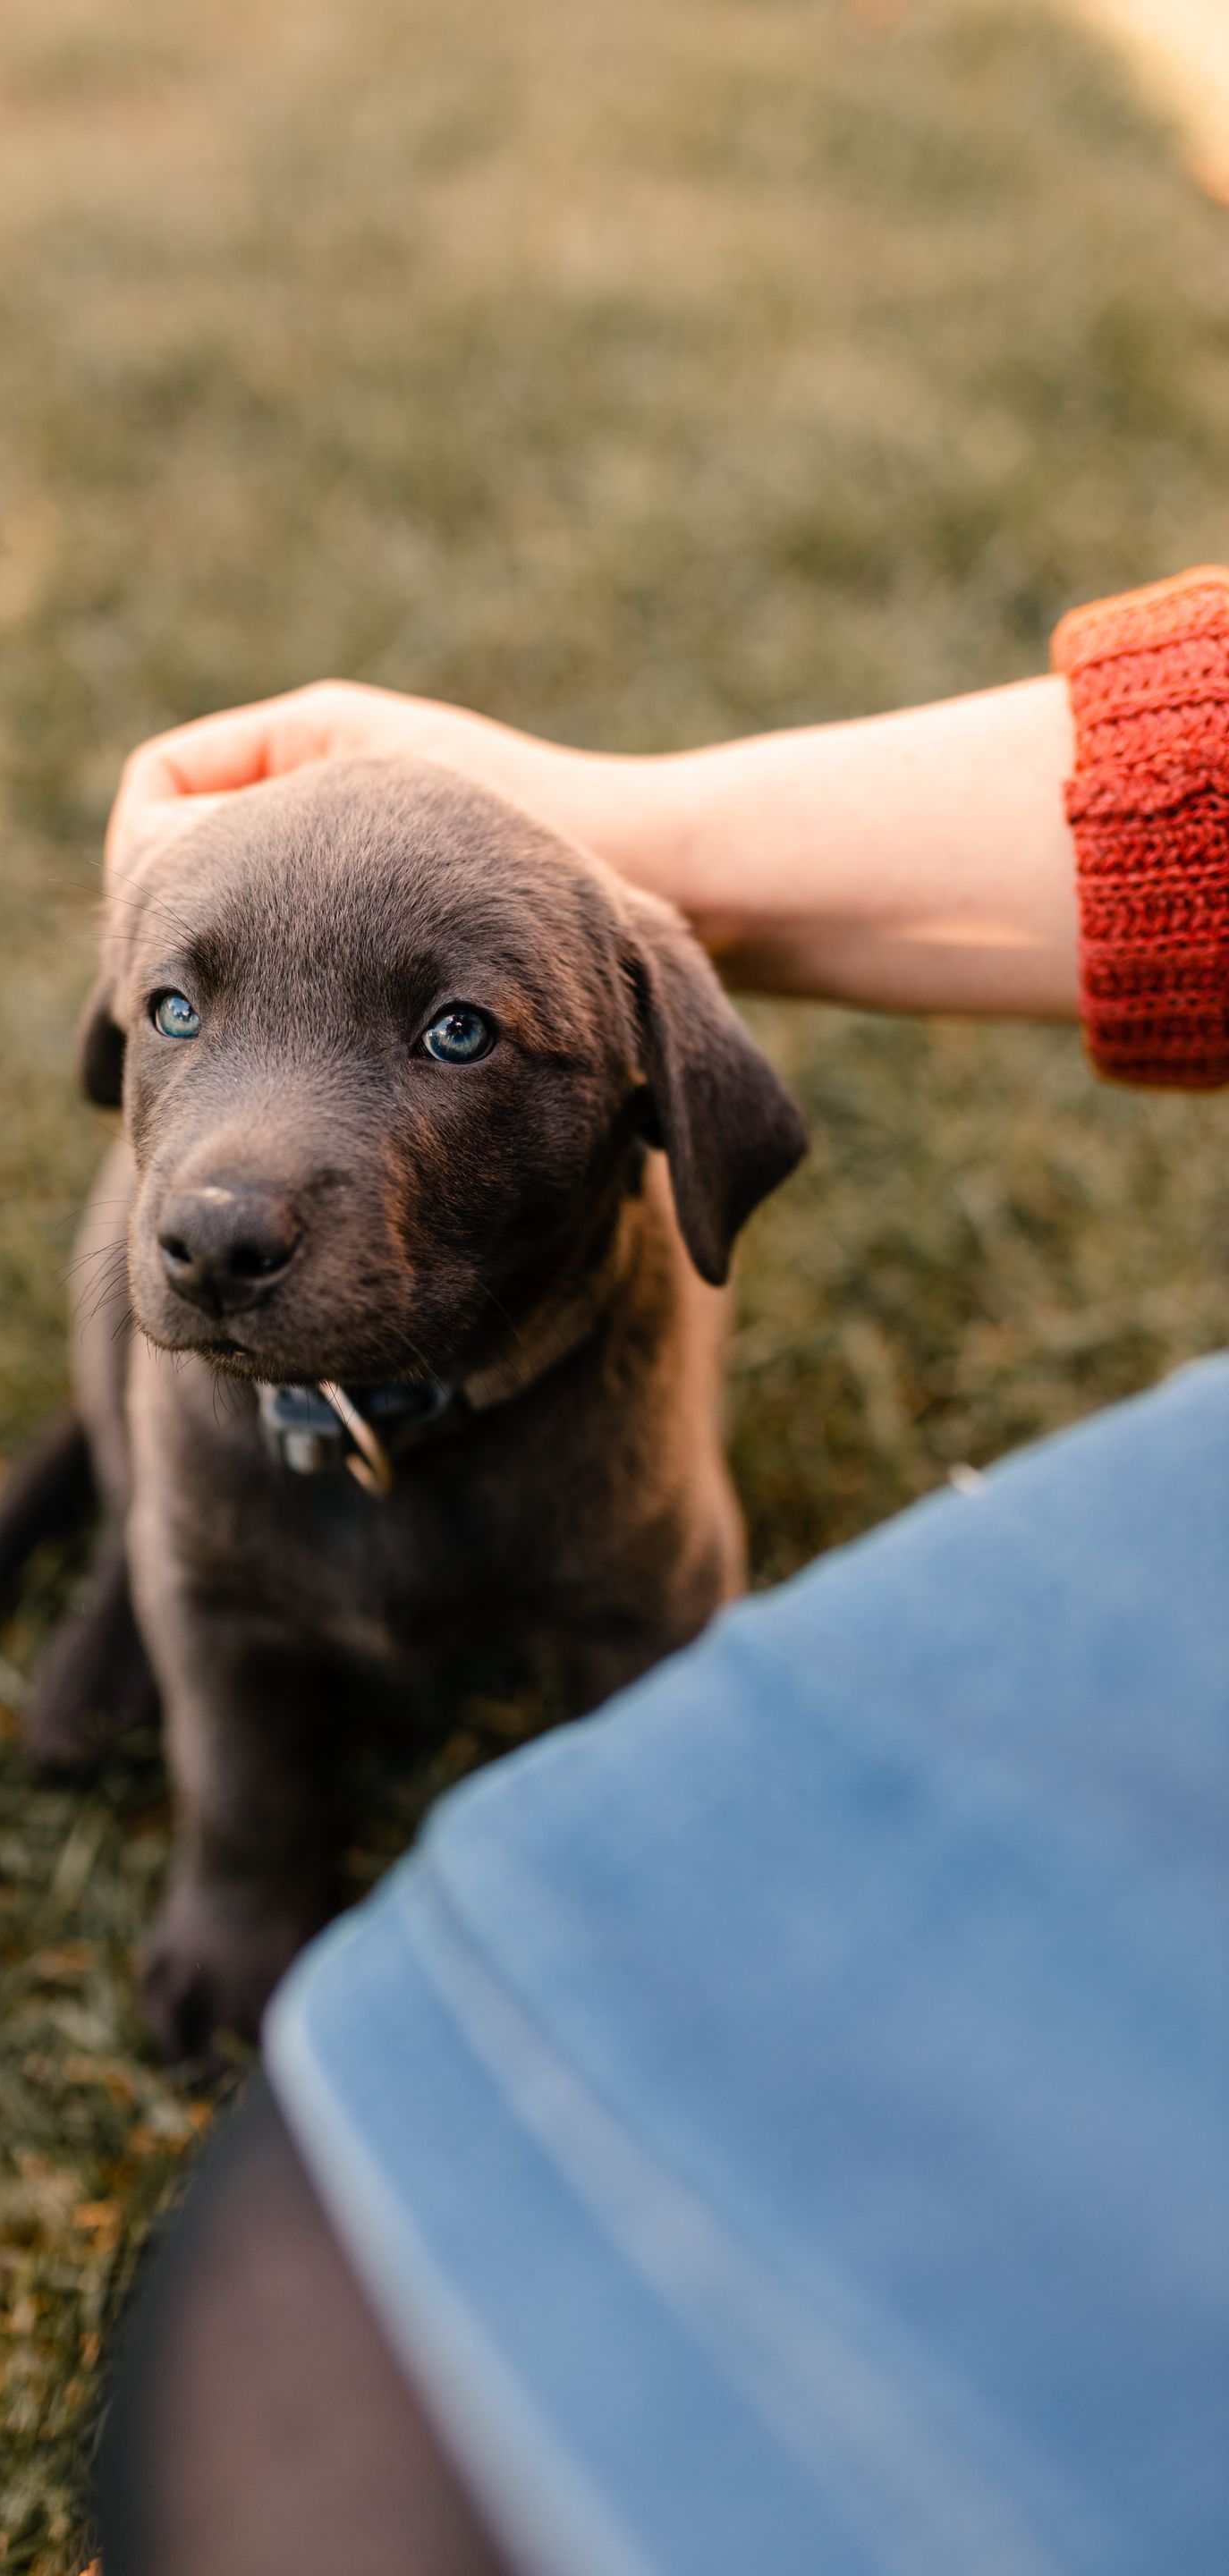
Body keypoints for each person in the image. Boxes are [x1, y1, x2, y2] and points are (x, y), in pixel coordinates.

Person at [94, 569, 1229, 2576]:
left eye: (457, 1031)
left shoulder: (648, 1087)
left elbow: (660, 1634)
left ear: (673, 1126)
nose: (222, 1183)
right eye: (180, 1010)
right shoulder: (176, 1242)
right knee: (177, 1502)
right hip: (226, 1468)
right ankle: (119, 1562)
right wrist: (243, 1870)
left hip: (555, 1432)